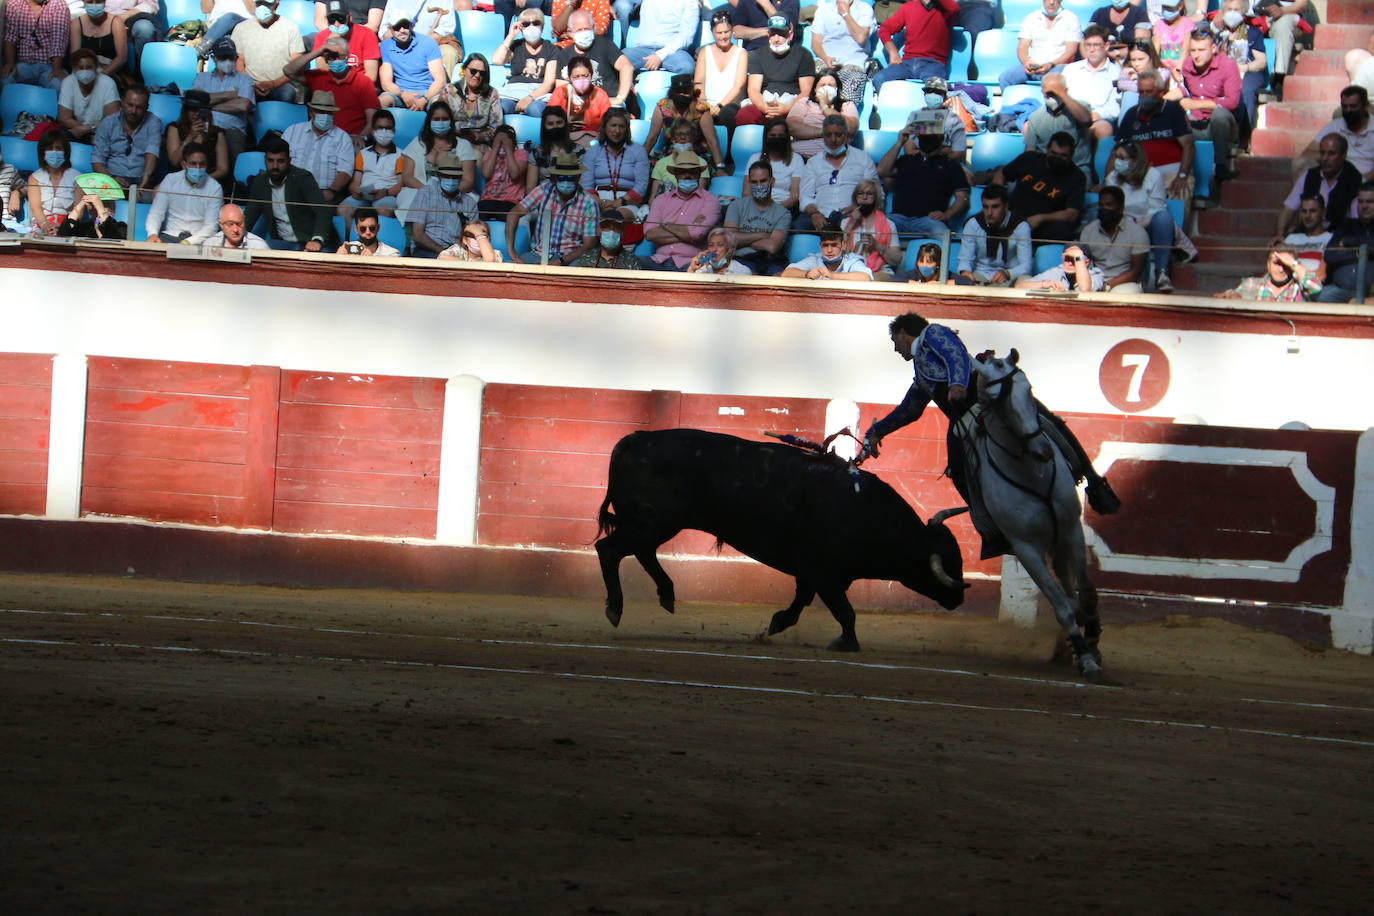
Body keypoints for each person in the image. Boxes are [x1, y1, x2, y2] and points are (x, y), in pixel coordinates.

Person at [862, 312, 1119, 560]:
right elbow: (909, 410)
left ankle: (1094, 483)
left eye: (895, 341)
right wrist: (876, 432)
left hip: (990, 401)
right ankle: (992, 528)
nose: (896, 349)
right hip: (963, 421)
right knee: (958, 470)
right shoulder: (921, 374)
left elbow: (956, 355)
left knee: (1049, 423)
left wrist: (958, 384)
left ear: (904, 333)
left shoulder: (933, 333)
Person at [1104, 139, 1179, 293]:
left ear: (1135, 160)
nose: (1118, 162)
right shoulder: (1112, 178)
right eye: (1116, 157)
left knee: (1163, 218)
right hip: (1120, 225)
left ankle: (1161, 273)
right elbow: (1110, 207)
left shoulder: (1153, 176)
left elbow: (1157, 209)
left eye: (1123, 158)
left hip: (1147, 224)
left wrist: (1138, 225)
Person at [879, 121, 969, 238]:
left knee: (945, 236)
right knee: (875, 229)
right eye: (924, 137)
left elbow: (963, 198)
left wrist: (947, 214)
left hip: (929, 220)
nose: (927, 140)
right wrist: (899, 143)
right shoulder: (906, 160)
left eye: (932, 137)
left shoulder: (951, 165)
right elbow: (882, 170)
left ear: (941, 139)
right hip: (898, 218)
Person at [505, 151, 598, 265]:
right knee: (515, 269)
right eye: (562, 178)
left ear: (578, 178)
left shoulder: (589, 203)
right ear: (554, 177)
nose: (566, 182)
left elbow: (589, 244)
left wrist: (561, 261)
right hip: (538, 254)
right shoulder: (544, 189)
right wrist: (511, 250)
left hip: (570, 258)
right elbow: (514, 212)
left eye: (570, 178)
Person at [994, 131, 1086, 245]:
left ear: (1071, 156)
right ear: (1047, 149)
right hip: (1012, 216)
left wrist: (1040, 218)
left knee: (1062, 231)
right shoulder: (1029, 159)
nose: (1057, 158)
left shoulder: (1077, 177)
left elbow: (1072, 214)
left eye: (1063, 156)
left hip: (1041, 226)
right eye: (1054, 153)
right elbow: (1001, 173)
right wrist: (997, 198)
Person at [242, 136, 333, 250]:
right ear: (265, 160)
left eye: (280, 161)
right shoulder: (260, 182)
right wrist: (236, 237)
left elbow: (323, 210)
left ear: (289, 161)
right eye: (270, 161)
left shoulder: (303, 178)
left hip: (310, 241)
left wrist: (317, 240)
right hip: (281, 243)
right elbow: (249, 216)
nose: (275, 166)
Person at [1114, 68, 1194, 197]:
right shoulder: (1131, 114)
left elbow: (1188, 146)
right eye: (1141, 92)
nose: (1144, 96)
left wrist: (1182, 175)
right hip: (1139, 174)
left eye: (1149, 92)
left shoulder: (1174, 110)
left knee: (1182, 191)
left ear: (1161, 92)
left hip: (1172, 173)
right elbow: (1117, 149)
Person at [1179, 28, 1241, 192]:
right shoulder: (1187, 65)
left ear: (1213, 49)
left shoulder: (1227, 66)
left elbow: (1232, 102)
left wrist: (1198, 105)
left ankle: (1221, 164)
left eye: (1201, 50)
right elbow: (1185, 90)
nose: (1196, 55)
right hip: (1195, 122)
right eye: (1193, 50)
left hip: (1219, 123)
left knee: (1220, 115)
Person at [284, 34, 382, 137]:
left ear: (347, 56)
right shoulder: (318, 77)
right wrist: (318, 52)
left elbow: (372, 120)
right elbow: (289, 71)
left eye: (339, 56)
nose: (336, 61)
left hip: (352, 139)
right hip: (321, 138)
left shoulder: (363, 82)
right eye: (331, 57)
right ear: (325, 59)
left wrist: (360, 138)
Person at [642, 149, 720, 270]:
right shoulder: (661, 199)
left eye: (692, 172)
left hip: (693, 263)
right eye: (682, 172)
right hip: (658, 260)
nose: (687, 176)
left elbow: (697, 234)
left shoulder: (711, 201)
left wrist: (666, 225)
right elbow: (650, 234)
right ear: (676, 175)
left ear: (699, 174)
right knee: (631, 264)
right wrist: (688, 234)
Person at [796, 115, 876, 231]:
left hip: (853, 214)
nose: (833, 140)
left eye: (838, 135)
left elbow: (876, 192)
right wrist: (814, 214)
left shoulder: (863, 159)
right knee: (797, 226)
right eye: (828, 135)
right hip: (821, 215)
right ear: (823, 136)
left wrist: (859, 207)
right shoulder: (813, 163)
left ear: (846, 136)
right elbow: (805, 197)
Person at [1274, 134, 1360, 243]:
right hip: (1308, 234)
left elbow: (1355, 219)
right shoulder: (1309, 175)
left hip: (1338, 239)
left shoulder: (1354, 179)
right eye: (1322, 153)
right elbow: (1288, 209)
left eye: (1331, 154)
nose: (1325, 158)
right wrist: (1280, 234)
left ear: (1343, 155)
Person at [735, 16, 815, 127]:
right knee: (745, 115)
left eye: (781, 34)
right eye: (773, 34)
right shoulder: (758, 55)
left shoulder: (804, 55)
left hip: (793, 103)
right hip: (766, 102)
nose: (776, 39)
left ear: (790, 35)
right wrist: (765, 108)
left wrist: (787, 108)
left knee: (811, 117)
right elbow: (753, 89)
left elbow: (805, 92)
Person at [281, 90, 356, 204]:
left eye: (329, 113)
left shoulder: (342, 138)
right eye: (321, 112)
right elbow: (280, 160)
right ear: (311, 112)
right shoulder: (292, 131)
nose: (325, 116)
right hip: (290, 190)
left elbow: (345, 171)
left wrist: (331, 192)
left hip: (323, 194)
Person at [1209, 0, 1265, 145]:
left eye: (1237, 9)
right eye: (1229, 9)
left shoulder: (1253, 33)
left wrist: (1244, 68)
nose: (1232, 13)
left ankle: (1243, 135)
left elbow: (1261, 62)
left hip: (1247, 71)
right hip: (1222, 73)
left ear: (1244, 13)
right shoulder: (1216, 32)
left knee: (1245, 90)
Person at [580, 108, 650, 225]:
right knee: (599, 215)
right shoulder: (592, 152)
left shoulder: (638, 151)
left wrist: (621, 201)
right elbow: (586, 183)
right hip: (598, 201)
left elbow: (641, 184)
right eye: (613, 125)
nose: (617, 131)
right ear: (605, 128)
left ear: (626, 129)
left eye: (621, 126)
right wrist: (598, 201)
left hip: (627, 203)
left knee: (614, 218)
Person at [145, 142, 224, 244]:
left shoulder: (215, 187)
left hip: (201, 240)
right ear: (184, 165)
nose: (198, 168)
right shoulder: (170, 180)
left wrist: (188, 242)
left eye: (202, 164)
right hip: (170, 236)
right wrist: (152, 234)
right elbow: (156, 212)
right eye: (193, 164)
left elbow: (211, 225)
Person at [193, 37, 256, 164]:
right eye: (223, 57)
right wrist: (230, 95)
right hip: (204, 128)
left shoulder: (245, 80)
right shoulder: (201, 77)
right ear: (214, 58)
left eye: (230, 57)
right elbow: (196, 101)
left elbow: (243, 105)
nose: (227, 61)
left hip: (232, 132)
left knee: (235, 157)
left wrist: (208, 105)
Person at [339, 109, 410, 220]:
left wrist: (384, 192)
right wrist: (355, 190)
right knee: (343, 209)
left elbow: (401, 185)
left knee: (383, 210)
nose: (384, 131)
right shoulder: (362, 154)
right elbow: (355, 182)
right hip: (363, 196)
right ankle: (348, 237)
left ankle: (379, 237)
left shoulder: (401, 155)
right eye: (379, 128)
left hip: (387, 195)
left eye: (388, 128)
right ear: (372, 131)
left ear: (394, 131)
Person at [872, 0, 957, 92]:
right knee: (879, 78)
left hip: (932, 64)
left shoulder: (944, 9)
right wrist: (893, 52)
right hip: (907, 64)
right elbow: (884, 29)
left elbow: (954, 9)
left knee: (935, 90)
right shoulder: (909, 7)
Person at [556, 9, 632, 112]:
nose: (584, 33)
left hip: (609, 104)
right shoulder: (564, 55)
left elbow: (626, 67)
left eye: (587, 29)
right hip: (581, 108)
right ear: (570, 32)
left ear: (593, 28)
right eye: (579, 30)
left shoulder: (605, 45)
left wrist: (620, 98)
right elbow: (561, 89)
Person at [1022, 72, 1094, 179]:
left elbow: (1086, 120)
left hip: (1077, 170)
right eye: (1047, 93)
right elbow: (1030, 152)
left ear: (1065, 91)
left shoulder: (1081, 107)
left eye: (1055, 93)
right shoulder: (1036, 117)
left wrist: (1062, 94)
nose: (1050, 96)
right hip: (1047, 171)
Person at [92, 84, 161, 195]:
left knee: (149, 198)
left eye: (139, 107)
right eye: (130, 105)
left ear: (147, 107)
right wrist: (111, 179)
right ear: (122, 102)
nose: (134, 111)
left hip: (141, 179)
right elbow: (97, 160)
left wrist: (145, 179)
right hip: (111, 177)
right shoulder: (108, 123)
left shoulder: (153, 122)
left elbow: (152, 152)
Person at [955, 183, 1030, 286]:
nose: (989, 213)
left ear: (1006, 206)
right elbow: (965, 259)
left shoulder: (1020, 225)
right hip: (981, 275)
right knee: (963, 282)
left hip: (1011, 275)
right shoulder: (973, 224)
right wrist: (965, 272)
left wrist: (1008, 273)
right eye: (986, 207)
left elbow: (1026, 265)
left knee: (1026, 281)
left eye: (995, 207)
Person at [233, 0, 307, 104]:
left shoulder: (290, 28)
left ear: (276, 4)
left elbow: (297, 65)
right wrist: (251, 84)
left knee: (286, 94)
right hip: (250, 83)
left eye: (267, 4)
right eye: (259, 4)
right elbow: (239, 61)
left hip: (281, 85)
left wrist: (274, 84)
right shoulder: (241, 28)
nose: (262, 7)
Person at [723, 159, 789, 274]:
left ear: (772, 181)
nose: (759, 186)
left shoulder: (783, 213)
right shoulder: (736, 206)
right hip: (740, 260)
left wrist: (740, 239)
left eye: (763, 181)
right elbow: (728, 240)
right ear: (749, 182)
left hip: (770, 262)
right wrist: (762, 235)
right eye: (754, 182)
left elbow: (772, 246)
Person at [1000, 0, 1081, 92]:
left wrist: (1050, 65)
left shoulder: (1071, 19)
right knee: (1005, 78)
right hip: (1033, 66)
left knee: (1053, 80)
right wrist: (1026, 62)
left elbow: (1070, 51)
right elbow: (1022, 47)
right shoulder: (1031, 18)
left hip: (1056, 66)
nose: (1051, 2)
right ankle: (1013, 105)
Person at [493, 7, 559, 118]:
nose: (531, 27)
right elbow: (497, 60)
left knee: (535, 110)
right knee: (500, 108)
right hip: (513, 92)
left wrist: (529, 98)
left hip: (538, 94)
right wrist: (511, 36)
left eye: (536, 23)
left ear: (542, 26)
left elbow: (548, 83)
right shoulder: (515, 46)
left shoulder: (551, 49)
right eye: (526, 24)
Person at [410, 152, 479, 256]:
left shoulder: (469, 203)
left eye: (454, 177)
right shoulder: (425, 193)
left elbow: (473, 237)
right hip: (428, 249)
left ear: (460, 178)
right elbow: (418, 235)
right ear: (439, 176)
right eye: (446, 176)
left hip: (458, 252)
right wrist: (443, 252)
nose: (450, 180)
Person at [1061, 24, 1121, 144]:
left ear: (1106, 46)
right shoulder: (1071, 69)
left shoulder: (1117, 73)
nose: (1091, 50)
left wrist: (1096, 115)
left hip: (1096, 120)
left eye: (1096, 45)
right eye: (1088, 45)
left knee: (1103, 129)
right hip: (1070, 117)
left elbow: (1114, 108)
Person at [646, 72, 722, 167]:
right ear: (672, 93)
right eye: (678, 92)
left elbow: (711, 140)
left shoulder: (701, 108)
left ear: (691, 92)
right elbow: (652, 137)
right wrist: (639, 160)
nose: (681, 94)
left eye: (685, 92)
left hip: (696, 154)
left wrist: (720, 167)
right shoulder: (663, 106)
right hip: (671, 154)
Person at [809, 0, 875, 106]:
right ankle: (813, 111)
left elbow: (861, 38)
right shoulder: (823, 10)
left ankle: (844, 115)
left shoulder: (864, 9)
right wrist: (826, 58)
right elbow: (815, 43)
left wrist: (845, 13)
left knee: (853, 78)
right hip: (826, 60)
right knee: (809, 74)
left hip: (853, 62)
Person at [1316, 183, 1374, 303]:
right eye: (1361, 201)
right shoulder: (1347, 226)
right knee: (1323, 297)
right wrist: (1362, 252)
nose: (1364, 206)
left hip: (1370, 295)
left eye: (1369, 202)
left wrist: (1349, 243)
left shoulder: (1347, 237)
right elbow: (1329, 255)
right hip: (1340, 290)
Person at [401, 100, 477, 189]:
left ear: (451, 121)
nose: (440, 122)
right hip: (419, 192)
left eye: (445, 119)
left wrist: (445, 195)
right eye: (436, 119)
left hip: (454, 196)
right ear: (429, 121)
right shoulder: (417, 143)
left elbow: (468, 181)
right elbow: (407, 177)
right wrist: (428, 192)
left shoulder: (464, 145)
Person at [785, 68, 857, 159]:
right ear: (815, 89)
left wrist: (824, 106)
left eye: (830, 85)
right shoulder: (805, 103)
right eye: (822, 85)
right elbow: (792, 127)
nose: (826, 88)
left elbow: (850, 128)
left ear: (837, 88)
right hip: (801, 157)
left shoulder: (847, 105)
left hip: (835, 159)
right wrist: (826, 132)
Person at [1306, 86, 1374, 183]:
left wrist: (1361, 182)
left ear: (1365, 106)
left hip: (1367, 183)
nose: (1348, 110)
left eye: (1353, 106)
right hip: (1337, 180)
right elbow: (1309, 153)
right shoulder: (1335, 126)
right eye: (1345, 106)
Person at [378, 18, 445, 111]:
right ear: (390, 29)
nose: (402, 30)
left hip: (428, 92)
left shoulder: (428, 43)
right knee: (381, 101)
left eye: (405, 26)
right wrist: (403, 94)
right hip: (401, 92)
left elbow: (440, 79)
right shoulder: (386, 46)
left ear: (411, 26)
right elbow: (385, 82)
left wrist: (424, 99)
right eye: (397, 27)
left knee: (440, 104)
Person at [0, 0, 70, 90]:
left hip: (49, 66)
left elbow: (59, 39)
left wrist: (56, 69)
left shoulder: (58, 4)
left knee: (59, 85)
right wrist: (9, 63)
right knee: (5, 79)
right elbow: (10, 37)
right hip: (23, 65)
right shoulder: (14, 4)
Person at [166, 90, 231, 185]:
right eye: (193, 109)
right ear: (186, 110)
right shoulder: (174, 128)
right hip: (178, 181)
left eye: (201, 110)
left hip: (208, 181)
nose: (196, 114)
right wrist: (190, 137)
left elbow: (223, 169)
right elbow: (174, 162)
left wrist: (202, 180)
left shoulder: (217, 133)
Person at [380, 1, 461, 77]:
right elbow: (384, 31)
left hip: (434, 44)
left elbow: (446, 29)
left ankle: (442, 89)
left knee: (448, 53)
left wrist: (420, 45)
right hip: (401, 43)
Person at [697, 11, 748, 130]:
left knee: (727, 114)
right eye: (719, 33)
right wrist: (706, 105)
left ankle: (729, 148)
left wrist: (719, 106)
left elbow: (738, 85)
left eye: (727, 32)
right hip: (707, 103)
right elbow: (699, 83)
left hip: (730, 105)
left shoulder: (741, 53)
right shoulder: (704, 52)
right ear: (712, 32)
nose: (723, 36)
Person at [445, 53, 505, 153]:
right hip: (453, 142)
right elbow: (440, 120)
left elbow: (496, 126)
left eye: (482, 73)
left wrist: (477, 137)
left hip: (481, 145)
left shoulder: (492, 94)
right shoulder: (449, 90)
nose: (477, 75)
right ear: (464, 70)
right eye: (473, 71)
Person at [1217, 244, 1321, 302]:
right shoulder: (1253, 284)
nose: (1281, 270)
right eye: (1277, 264)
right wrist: (1232, 297)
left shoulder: (1299, 287)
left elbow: (1316, 288)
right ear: (1268, 264)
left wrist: (1293, 263)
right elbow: (1234, 295)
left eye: (1286, 265)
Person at [547, 53, 612, 145]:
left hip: (593, 141)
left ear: (591, 75)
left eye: (585, 76)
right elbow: (551, 118)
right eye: (576, 77)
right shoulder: (560, 92)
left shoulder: (600, 95)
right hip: (564, 141)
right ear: (569, 77)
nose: (581, 80)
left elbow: (608, 122)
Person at [58, 49, 120, 142]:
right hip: (77, 130)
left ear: (96, 67)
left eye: (89, 67)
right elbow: (64, 118)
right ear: (74, 69)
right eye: (81, 68)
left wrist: (89, 129)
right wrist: (84, 130)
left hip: (102, 132)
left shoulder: (108, 84)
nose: (85, 71)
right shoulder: (68, 82)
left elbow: (112, 120)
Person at [622, 0, 699, 76]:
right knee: (614, 61)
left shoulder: (691, 2)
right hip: (641, 50)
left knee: (686, 67)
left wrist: (660, 56)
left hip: (673, 52)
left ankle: (677, 88)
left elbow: (686, 37)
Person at [841, 179, 899, 280]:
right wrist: (851, 224)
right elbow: (837, 252)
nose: (864, 197)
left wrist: (877, 245)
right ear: (855, 197)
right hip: (850, 271)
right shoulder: (846, 223)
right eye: (861, 193)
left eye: (869, 194)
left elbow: (896, 260)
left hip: (879, 272)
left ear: (876, 198)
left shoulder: (889, 224)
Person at [24, 131, 80, 235]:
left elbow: (78, 210)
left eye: (58, 148)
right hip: (41, 223)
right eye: (49, 149)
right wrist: (45, 225)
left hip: (69, 224)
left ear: (65, 152)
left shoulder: (78, 178)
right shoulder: (34, 178)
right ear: (43, 153)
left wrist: (65, 227)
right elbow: (35, 208)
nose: (54, 152)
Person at [312, 0, 381, 84]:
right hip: (332, 85)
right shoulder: (322, 37)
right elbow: (322, 72)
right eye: (332, 19)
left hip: (359, 85)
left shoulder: (367, 34)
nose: (336, 24)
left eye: (341, 19)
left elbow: (371, 76)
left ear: (349, 17)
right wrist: (327, 46)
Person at [744, 117, 802, 210]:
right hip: (756, 209)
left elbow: (794, 196)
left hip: (784, 209)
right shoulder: (754, 158)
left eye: (780, 136)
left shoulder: (797, 159)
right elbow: (746, 193)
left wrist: (774, 211)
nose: (776, 139)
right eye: (773, 136)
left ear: (786, 138)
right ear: (766, 138)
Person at [781, 223, 873, 280]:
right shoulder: (815, 259)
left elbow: (865, 277)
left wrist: (831, 276)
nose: (829, 250)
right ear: (820, 246)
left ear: (843, 245)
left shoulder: (851, 260)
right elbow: (786, 273)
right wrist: (807, 274)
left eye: (834, 245)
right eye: (825, 245)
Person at [1258, 0, 1307, 100]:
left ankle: (1278, 76)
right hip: (1254, 16)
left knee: (1283, 25)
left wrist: (1282, 10)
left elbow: (1302, 4)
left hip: (1285, 16)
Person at [479, 123, 530, 218]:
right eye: (499, 141)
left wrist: (508, 150)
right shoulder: (489, 154)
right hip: (488, 200)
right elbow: (486, 174)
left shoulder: (520, 153)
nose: (502, 144)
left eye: (505, 141)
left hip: (510, 202)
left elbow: (514, 175)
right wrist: (495, 149)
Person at [69, 1, 127, 79]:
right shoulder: (76, 24)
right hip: (83, 72)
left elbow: (121, 58)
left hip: (110, 73)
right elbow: (75, 57)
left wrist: (101, 76)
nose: (94, 5)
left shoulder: (116, 22)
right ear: (83, 1)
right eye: (90, 2)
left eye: (99, 1)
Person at [524, 104, 576, 190]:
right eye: (550, 124)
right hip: (543, 198)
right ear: (544, 127)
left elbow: (582, 184)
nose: (555, 127)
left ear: (565, 124)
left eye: (559, 123)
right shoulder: (536, 153)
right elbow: (530, 187)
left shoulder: (578, 151)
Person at [1016, 243, 1107, 292]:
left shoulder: (1095, 273)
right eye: (1067, 259)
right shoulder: (1058, 271)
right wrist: (1046, 284)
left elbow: (1085, 290)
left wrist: (1079, 257)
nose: (1070, 263)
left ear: (1086, 262)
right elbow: (1019, 287)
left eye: (1074, 260)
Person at [1281, 194, 1331, 279]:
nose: (1307, 216)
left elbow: (1322, 276)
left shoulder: (1331, 239)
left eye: (1312, 211)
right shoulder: (1291, 239)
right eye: (1304, 211)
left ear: (1323, 212)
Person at [572, 211, 642, 269]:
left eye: (616, 228)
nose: (611, 231)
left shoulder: (631, 261)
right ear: (598, 230)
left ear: (623, 231)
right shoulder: (586, 258)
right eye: (606, 227)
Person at [730, 0, 799, 54]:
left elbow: (789, 27)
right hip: (755, 52)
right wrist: (767, 31)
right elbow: (737, 32)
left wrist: (765, 4)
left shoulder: (789, 1)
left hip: (782, 51)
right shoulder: (747, 1)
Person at [1152, 0, 1195, 85]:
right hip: (1163, 71)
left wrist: (1177, 70)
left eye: (1169, 7)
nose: (1166, 10)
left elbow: (1185, 51)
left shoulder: (1187, 24)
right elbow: (1155, 52)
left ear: (1180, 6)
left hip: (1182, 71)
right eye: (1164, 7)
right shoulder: (1159, 24)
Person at [55, 191, 126, 239]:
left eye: (102, 205)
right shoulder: (84, 228)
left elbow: (112, 239)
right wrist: (81, 204)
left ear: (112, 210)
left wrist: (100, 208)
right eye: (92, 206)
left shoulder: (120, 227)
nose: (96, 209)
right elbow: (62, 235)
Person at [336, 205, 402, 256]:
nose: (368, 232)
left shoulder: (391, 253)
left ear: (378, 228)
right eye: (363, 229)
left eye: (372, 228)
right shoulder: (346, 250)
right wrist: (338, 259)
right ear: (356, 230)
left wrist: (371, 260)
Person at [685, 226, 751, 275]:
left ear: (730, 249)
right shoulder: (702, 269)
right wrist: (691, 269)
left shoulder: (742, 271)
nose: (714, 249)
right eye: (711, 245)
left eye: (720, 245)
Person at [204, 201, 269, 248]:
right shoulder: (210, 244)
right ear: (221, 225)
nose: (235, 230)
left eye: (239, 224)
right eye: (230, 224)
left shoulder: (259, 246)